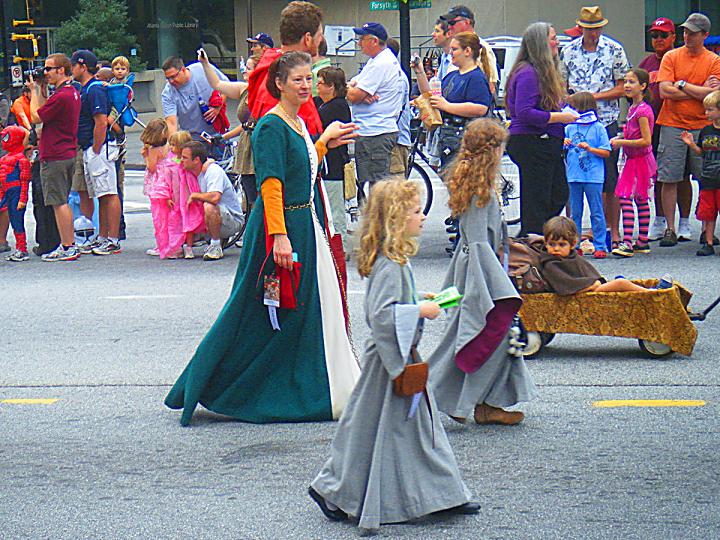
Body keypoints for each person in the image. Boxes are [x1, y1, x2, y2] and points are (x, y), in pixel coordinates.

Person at [164, 52, 360, 425]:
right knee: (260, 312)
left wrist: (323, 143)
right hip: (284, 228)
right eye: (298, 80)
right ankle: (217, 384)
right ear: (279, 84)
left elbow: (300, 170)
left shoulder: (296, 122)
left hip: (304, 224)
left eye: (308, 78)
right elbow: (271, 185)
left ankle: (308, 383)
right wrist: (280, 237)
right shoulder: (271, 125)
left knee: (298, 312)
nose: (305, 86)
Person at [309, 179, 480, 533]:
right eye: (416, 211)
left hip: (396, 355)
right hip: (388, 362)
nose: (423, 216)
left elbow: (392, 307)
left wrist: (419, 300)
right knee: (376, 431)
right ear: (396, 219)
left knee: (408, 429)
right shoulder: (390, 264)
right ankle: (334, 488)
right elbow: (381, 316)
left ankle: (441, 493)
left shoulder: (393, 259)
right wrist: (420, 310)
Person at [427, 119, 538, 425]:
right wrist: (495, 286)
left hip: (478, 270)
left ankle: (483, 403)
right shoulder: (481, 191)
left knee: (484, 337)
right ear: (493, 151)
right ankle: (440, 396)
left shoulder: (477, 185)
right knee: (481, 335)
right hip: (481, 275)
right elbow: (478, 244)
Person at [560, 5, 631, 251]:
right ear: (580, 28)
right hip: (575, 120)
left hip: (605, 119)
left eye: (597, 29)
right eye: (589, 29)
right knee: (574, 174)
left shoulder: (614, 49)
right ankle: (574, 234)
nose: (593, 33)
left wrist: (593, 97)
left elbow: (622, 87)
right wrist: (572, 102)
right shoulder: (568, 51)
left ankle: (613, 231)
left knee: (609, 178)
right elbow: (561, 85)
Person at [505, 22, 578, 236]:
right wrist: (560, 117)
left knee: (557, 193)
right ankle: (532, 241)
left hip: (546, 141)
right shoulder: (528, 73)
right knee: (538, 200)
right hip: (532, 142)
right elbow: (524, 112)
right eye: (553, 38)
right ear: (541, 43)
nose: (557, 42)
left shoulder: (542, 72)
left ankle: (536, 237)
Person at [656, 13, 720, 247]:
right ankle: (670, 229)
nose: (687, 36)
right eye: (685, 32)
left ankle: (706, 230)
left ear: (705, 35)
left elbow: (714, 95)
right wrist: (698, 90)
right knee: (669, 176)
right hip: (672, 123)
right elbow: (664, 91)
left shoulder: (714, 60)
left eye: (693, 33)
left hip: (704, 125)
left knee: (708, 178)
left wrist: (681, 84)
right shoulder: (671, 56)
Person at [638, 18, 692, 240]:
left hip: (678, 122)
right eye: (654, 35)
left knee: (683, 175)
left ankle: (685, 222)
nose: (658, 39)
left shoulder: (681, 58)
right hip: (652, 126)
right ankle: (660, 220)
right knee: (659, 175)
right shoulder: (646, 63)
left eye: (663, 35)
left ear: (673, 37)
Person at [28, 53, 82, 262]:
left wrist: (34, 91)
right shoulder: (70, 92)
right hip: (66, 151)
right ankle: (67, 244)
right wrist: (41, 88)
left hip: (55, 155)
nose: (46, 72)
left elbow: (36, 116)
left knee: (59, 202)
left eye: (49, 69)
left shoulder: (62, 96)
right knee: (61, 201)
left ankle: (68, 246)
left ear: (61, 70)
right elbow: (45, 110)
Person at [413, 32, 492, 168]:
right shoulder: (452, 76)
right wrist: (420, 72)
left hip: (466, 144)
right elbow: (431, 96)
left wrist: (447, 106)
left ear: (467, 51)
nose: (450, 53)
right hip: (448, 141)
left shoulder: (476, 78)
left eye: (454, 49)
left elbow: (481, 108)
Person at [72, 49, 122, 256]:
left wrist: (96, 148)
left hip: (99, 148)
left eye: (74, 65)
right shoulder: (88, 88)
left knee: (109, 193)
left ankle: (113, 239)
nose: (72, 69)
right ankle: (103, 237)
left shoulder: (94, 90)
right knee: (101, 194)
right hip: (91, 147)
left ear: (83, 66)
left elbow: (101, 122)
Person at [247, 1, 325, 136]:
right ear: (307, 39)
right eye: (319, 35)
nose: (321, 40)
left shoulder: (270, 66)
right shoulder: (281, 81)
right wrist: (324, 141)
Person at [540, 216, 670, 295]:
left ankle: (649, 290)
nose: (556, 248)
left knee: (620, 283)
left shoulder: (571, 257)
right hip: (585, 291)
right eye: (552, 244)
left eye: (562, 244)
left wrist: (595, 281)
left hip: (588, 287)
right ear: (546, 243)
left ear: (573, 244)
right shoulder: (550, 263)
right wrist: (591, 284)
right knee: (620, 283)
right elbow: (564, 285)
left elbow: (584, 271)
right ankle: (653, 293)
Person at [347, 22, 403, 186]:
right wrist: (352, 88)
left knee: (377, 186)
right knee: (372, 183)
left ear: (374, 41)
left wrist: (355, 92)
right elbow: (353, 85)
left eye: (362, 39)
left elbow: (354, 96)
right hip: (372, 130)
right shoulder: (376, 61)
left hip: (375, 132)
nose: (359, 43)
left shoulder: (381, 64)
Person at [609, 68, 656, 257]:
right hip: (633, 159)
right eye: (626, 81)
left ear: (643, 86)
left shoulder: (642, 111)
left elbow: (646, 140)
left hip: (640, 160)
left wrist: (621, 142)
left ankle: (627, 242)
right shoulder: (632, 109)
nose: (627, 85)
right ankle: (642, 241)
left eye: (632, 82)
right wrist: (622, 137)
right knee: (639, 199)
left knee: (626, 197)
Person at [564, 91, 611, 259]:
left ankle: (600, 245)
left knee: (596, 211)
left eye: (573, 107)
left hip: (593, 177)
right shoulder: (569, 128)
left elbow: (606, 152)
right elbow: (564, 151)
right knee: (574, 213)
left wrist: (590, 149)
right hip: (574, 176)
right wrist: (565, 143)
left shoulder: (598, 128)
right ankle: (574, 245)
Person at [180, 141, 244, 261]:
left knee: (209, 205)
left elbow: (215, 197)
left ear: (196, 160)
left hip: (232, 220)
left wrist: (195, 195)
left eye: (184, 157)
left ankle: (215, 246)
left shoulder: (213, 171)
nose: (181, 160)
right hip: (216, 216)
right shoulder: (192, 171)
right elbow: (172, 161)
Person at [314, 66, 351, 247]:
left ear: (331, 86)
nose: (317, 86)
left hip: (333, 164)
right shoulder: (321, 104)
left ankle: (339, 246)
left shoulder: (336, 107)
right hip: (327, 163)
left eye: (320, 83)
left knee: (334, 207)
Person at [681, 90, 720, 256]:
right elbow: (702, 152)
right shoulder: (706, 131)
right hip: (708, 178)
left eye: (710, 109)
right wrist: (691, 144)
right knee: (708, 213)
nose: (706, 113)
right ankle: (708, 242)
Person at [161, 55, 229, 142]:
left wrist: (218, 107)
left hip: (219, 132)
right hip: (192, 139)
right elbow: (171, 123)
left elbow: (225, 86)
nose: (171, 81)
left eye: (173, 77)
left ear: (183, 70)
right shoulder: (168, 93)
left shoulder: (202, 68)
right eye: (168, 78)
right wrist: (173, 144)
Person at [439, 5, 499, 93]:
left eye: (452, 23)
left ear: (467, 22)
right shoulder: (452, 48)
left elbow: (491, 87)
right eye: (448, 24)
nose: (449, 27)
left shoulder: (481, 47)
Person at [0, 125, 31, 261]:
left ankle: (22, 248)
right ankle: (20, 248)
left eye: (6, 137)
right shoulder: (6, 159)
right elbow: (2, 180)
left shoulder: (21, 160)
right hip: (8, 193)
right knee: (14, 220)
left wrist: (23, 199)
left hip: (16, 193)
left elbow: (25, 181)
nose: (3, 140)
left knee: (17, 221)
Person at [386, 38, 412, 177]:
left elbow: (395, 110)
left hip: (396, 142)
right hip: (391, 140)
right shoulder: (388, 75)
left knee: (394, 185)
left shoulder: (397, 78)